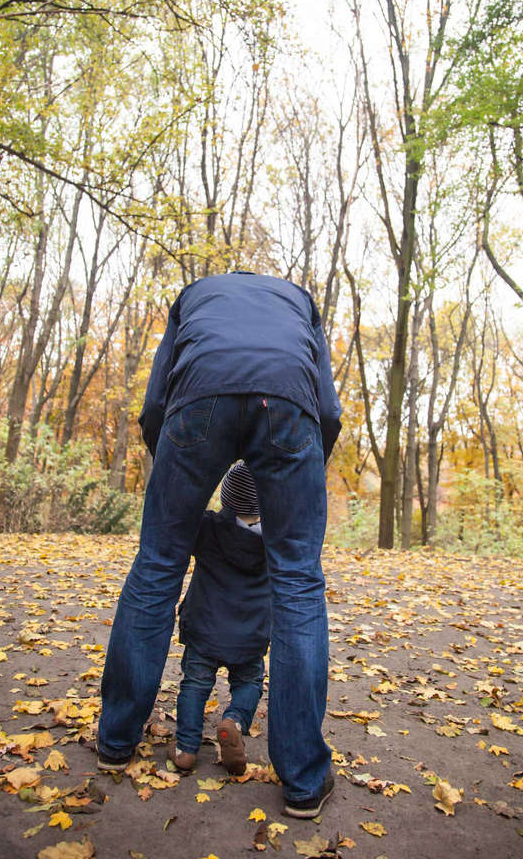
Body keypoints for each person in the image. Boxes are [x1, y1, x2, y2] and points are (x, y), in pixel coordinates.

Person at [97, 270, 342, 819]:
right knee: (299, 581)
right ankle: (303, 780)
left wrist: (174, 465)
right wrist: (302, 470)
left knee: (158, 565)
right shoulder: (301, 300)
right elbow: (326, 409)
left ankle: (115, 742)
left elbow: (157, 399)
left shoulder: (195, 295)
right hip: (289, 405)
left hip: (198, 398)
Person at [168, 460, 270, 777]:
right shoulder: (274, 541)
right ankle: (235, 721)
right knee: (249, 682)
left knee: (195, 685)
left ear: (225, 497)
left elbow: (186, 512)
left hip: (204, 628)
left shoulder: (208, 528)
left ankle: (186, 748)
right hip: (250, 634)